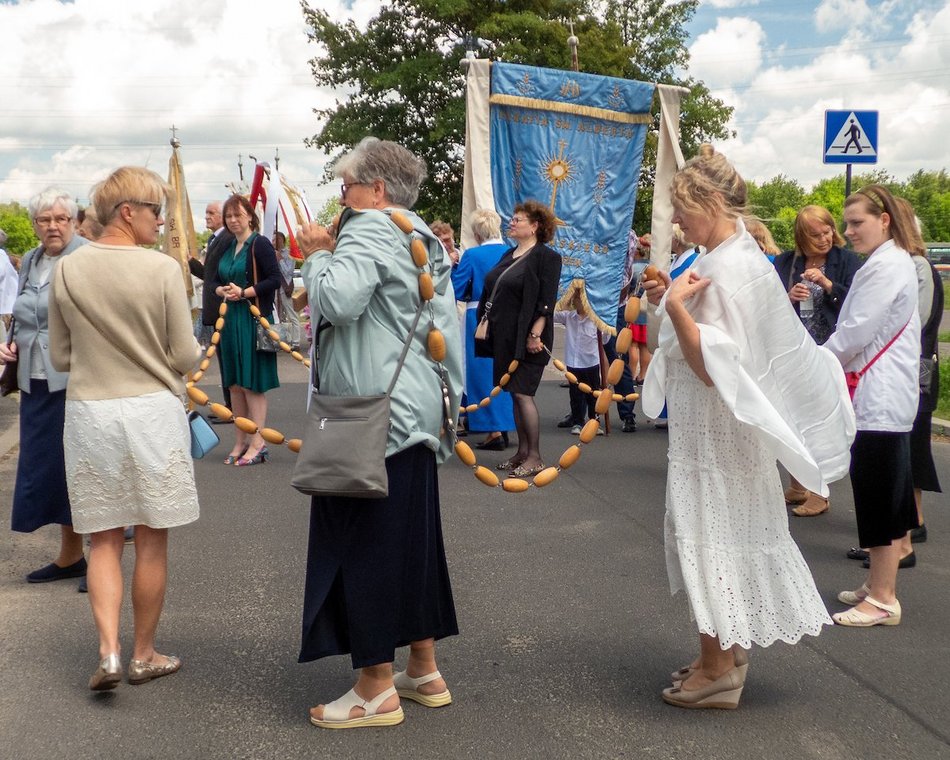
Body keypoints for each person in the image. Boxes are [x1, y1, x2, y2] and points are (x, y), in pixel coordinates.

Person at [641, 144, 854, 709]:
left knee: (711, 536)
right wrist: (672, 299)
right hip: (726, 434)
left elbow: (711, 369)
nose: (676, 221)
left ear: (709, 201)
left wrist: (678, 309)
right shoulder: (735, 256)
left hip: (716, 434)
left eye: (681, 208)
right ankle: (727, 655)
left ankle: (716, 671)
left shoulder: (727, 265)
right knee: (726, 534)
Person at [295, 136, 462, 730]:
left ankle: (375, 687)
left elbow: (338, 302)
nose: (341, 196)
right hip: (413, 412)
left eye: (346, 185)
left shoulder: (366, 226)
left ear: (376, 188)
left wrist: (316, 256)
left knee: (362, 544)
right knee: (411, 540)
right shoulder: (417, 232)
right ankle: (424, 667)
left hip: (370, 416)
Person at [47, 166, 201, 689]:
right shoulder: (160, 271)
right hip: (151, 412)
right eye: (157, 211)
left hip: (91, 412)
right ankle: (144, 653)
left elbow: (61, 356)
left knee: (104, 539)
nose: (163, 221)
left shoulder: (66, 270)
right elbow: (184, 353)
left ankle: (108, 652)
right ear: (128, 212)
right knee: (152, 540)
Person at [825, 186, 922, 628]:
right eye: (847, 223)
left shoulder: (886, 267)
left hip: (879, 400)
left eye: (856, 223)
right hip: (886, 396)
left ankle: (883, 598)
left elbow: (854, 333)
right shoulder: (891, 261)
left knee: (880, 494)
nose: (848, 232)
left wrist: (814, 364)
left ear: (884, 219)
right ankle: (879, 586)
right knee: (893, 493)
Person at [1, 189, 87, 587]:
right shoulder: (33, 259)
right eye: (44, 219)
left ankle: (101, 559)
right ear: (35, 224)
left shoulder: (87, 258)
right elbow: (24, 312)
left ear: (73, 221)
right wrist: (11, 342)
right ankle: (70, 556)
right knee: (50, 470)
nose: (52, 226)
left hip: (76, 380)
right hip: (35, 380)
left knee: (84, 467)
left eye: (60, 218)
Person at [773, 205, 861, 516]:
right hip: (793, 349)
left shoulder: (847, 260)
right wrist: (788, 297)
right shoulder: (787, 261)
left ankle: (819, 492)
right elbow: (768, 303)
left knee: (818, 421)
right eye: (815, 234)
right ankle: (798, 484)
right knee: (792, 417)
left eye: (827, 231)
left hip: (829, 351)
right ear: (801, 236)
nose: (824, 239)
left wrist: (826, 285)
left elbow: (857, 302)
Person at [476, 200, 562, 478]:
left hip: (529, 337)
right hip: (505, 337)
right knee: (514, 393)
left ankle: (535, 456)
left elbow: (546, 301)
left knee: (524, 393)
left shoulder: (547, 257)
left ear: (535, 226)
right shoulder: (509, 254)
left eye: (518, 220)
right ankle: (522, 453)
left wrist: (535, 333)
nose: (511, 223)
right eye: (512, 219)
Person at [209, 194, 281, 466]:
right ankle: (240, 441)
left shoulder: (259, 244)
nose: (233, 220)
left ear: (250, 215)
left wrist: (245, 292)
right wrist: (222, 290)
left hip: (252, 320)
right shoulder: (229, 246)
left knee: (253, 384)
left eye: (238, 215)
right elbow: (214, 278)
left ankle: (258, 441)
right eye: (229, 216)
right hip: (230, 321)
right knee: (235, 385)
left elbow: (275, 279)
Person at [450, 208, 514, 449]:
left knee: (480, 373)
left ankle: (493, 430)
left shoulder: (473, 255)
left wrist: (454, 266)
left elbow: (456, 288)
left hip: (479, 316)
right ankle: (503, 425)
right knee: (504, 371)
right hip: (508, 316)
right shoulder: (511, 252)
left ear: (477, 232)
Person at [189, 201, 235, 419]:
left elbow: (215, 275)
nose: (206, 216)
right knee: (223, 358)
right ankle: (229, 405)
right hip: (215, 308)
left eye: (211, 213)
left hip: (223, 308)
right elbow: (208, 275)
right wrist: (189, 262)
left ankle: (232, 407)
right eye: (206, 212)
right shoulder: (214, 239)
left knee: (228, 358)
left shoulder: (226, 238)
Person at [554, 291, 605, 435]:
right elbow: (552, 314)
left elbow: (605, 339)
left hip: (591, 362)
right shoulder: (569, 317)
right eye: (576, 299)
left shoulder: (596, 319)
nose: (579, 301)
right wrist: (563, 299)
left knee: (593, 393)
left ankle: (594, 421)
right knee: (575, 394)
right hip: (573, 362)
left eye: (582, 298)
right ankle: (577, 421)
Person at [274, 231, 302, 351]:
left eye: (276, 239)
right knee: (277, 316)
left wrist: (279, 259)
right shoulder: (270, 252)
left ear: (282, 240)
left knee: (292, 315)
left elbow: (289, 272)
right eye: (273, 239)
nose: (274, 242)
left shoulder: (289, 253)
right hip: (274, 288)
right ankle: (281, 340)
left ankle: (296, 342)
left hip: (284, 288)